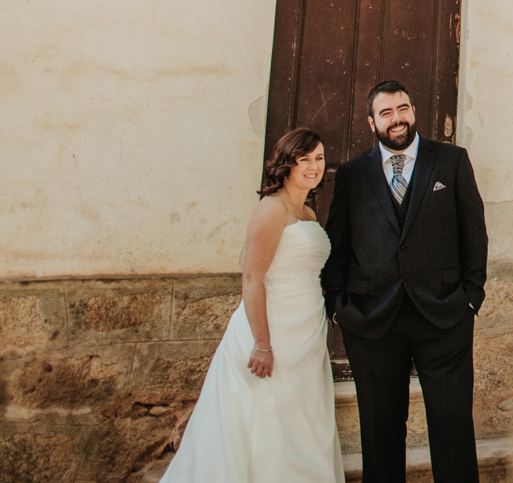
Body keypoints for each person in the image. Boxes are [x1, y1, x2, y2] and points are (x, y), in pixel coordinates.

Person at [323, 80, 489, 483]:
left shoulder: (450, 161)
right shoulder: (352, 174)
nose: (396, 119)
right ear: (371, 122)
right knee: (380, 433)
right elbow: (337, 247)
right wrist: (340, 307)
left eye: (403, 109)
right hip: (372, 320)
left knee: (452, 430)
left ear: (413, 112)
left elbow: (475, 233)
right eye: (386, 112)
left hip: (445, 314)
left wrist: (470, 298)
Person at [163, 126, 345, 482]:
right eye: (304, 159)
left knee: (300, 421)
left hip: (304, 334)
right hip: (271, 332)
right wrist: (262, 344)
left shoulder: (307, 213)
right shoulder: (271, 208)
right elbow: (251, 278)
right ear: (286, 165)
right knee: (265, 421)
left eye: (319, 158)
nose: (313, 166)